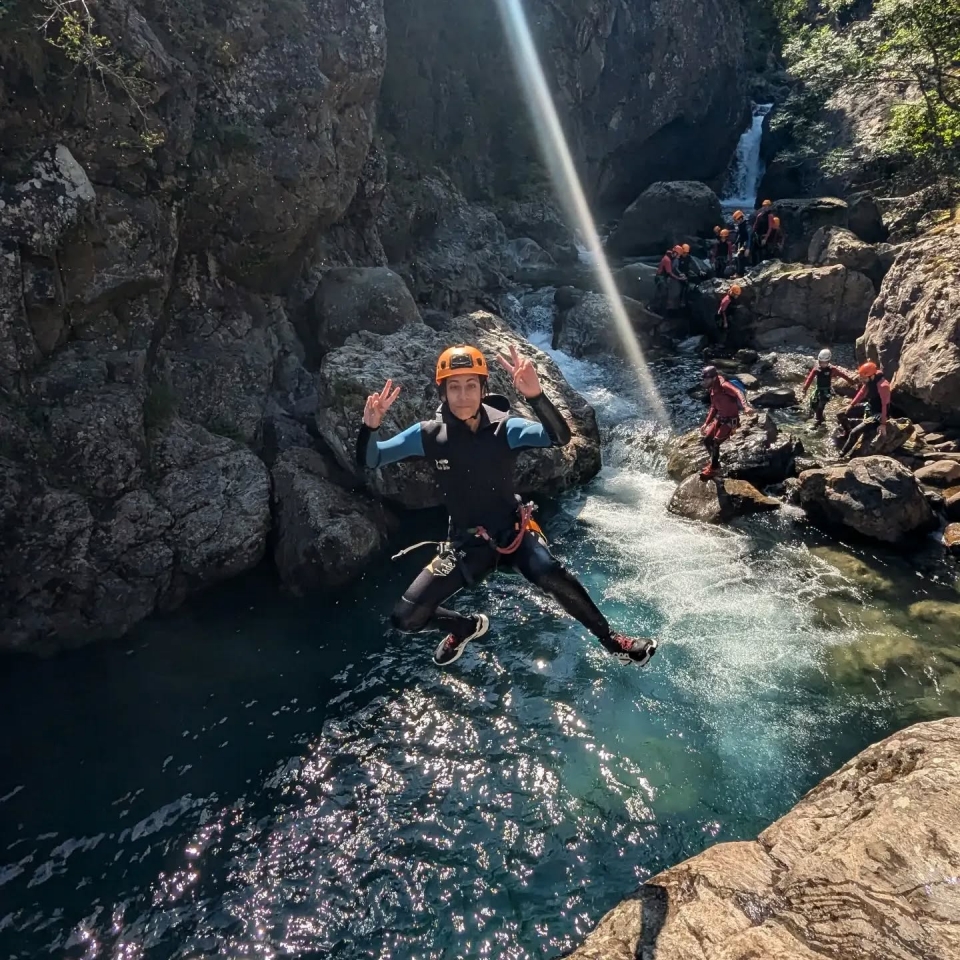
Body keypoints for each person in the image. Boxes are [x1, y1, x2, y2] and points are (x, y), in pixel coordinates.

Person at [357, 344, 659, 667]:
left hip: (513, 533)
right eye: (454, 387)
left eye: (471, 386)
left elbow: (559, 437)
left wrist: (536, 396)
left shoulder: (504, 430)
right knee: (405, 617)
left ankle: (612, 640)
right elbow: (371, 457)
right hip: (467, 543)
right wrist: (370, 427)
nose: (463, 395)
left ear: (484, 389)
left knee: (552, 574)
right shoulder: (430, 436)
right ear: (442, 392)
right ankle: (464, 627)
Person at [699, 365, 747, 480]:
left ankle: (714, 469)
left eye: (706, 379)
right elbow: (714, 407)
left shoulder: (724, 386)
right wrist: (706, 423)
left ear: (714, 378)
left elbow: (738, 392)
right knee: (707, 441)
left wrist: (745, 407)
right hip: (720, 419)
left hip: (731, 421)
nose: (704, 381)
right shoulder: (712, 389)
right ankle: (714, 463)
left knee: (715, 443)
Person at [838, 361, 891, 458]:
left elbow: (885, 405)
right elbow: (862, 392)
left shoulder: (883, 386)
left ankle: (841, 455)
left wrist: (883, 424)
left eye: (864, 378)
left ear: (871, 376)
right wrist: (852, 404)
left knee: (855, 432)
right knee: (841, 414)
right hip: (869, 406)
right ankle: (847, 431)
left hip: (878, 414)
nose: (862, 380)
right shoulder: (870, 381)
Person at [801, 348, 855, 427]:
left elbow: (842, 375)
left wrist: (851, 381)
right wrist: (804, 389)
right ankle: (820, 417)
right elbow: (810, 378)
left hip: (827, 391)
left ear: (828, 361)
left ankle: (818, 421)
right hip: (819, 390)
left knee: (821, 404)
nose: (822, 364)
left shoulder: (832, 369)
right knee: (813, 403)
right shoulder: (816, 369)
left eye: (824, 363)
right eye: (821, 362)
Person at [653, 245, 686, 312]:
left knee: (663, 293)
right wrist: (679, 278)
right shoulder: (667, 260)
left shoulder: (670, 257)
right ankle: (656, 308)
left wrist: (680, 274)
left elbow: (674, 268)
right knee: (664, 293)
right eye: (678, 255)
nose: (678, 257)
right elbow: (669, 273)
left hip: (663, 277)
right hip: (660, 277)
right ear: (675, 253)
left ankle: (658, 308)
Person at [751, 200, 774, 265]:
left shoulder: (770, 216)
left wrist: (765, 238)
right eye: (764, 206)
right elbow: (755, 226)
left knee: (764, 253)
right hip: (758, 235)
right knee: (754, 251)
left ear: (769, 207)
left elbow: (770, 228)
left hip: (765, 236)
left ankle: (764, 266)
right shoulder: (760, 215)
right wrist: (753, 234)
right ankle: (755, 265)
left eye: (767, 206)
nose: (765, 207)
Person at [732, 210, 750, 275]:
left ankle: (740, 274)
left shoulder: (746, 225)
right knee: (737, 258)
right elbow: (739, 236)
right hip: (741, 244)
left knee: (740, 257)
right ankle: (737, 272)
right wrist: (735, 244)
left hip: (746, 244)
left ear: (741, 218)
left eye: (737, 220)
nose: (736, 222)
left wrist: (748, 248)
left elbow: (749, 236)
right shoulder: (740, 226)